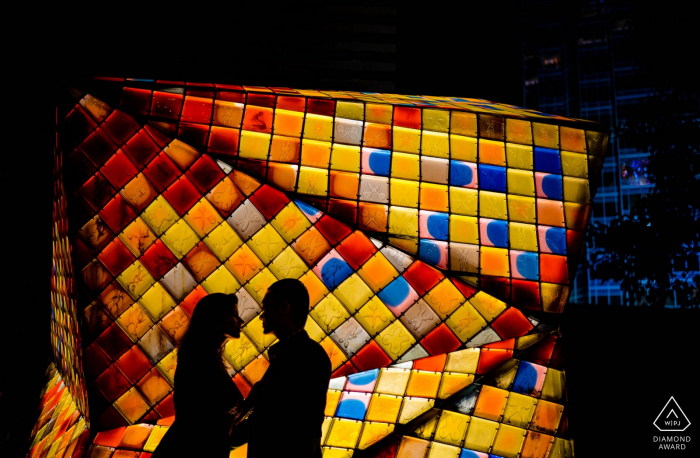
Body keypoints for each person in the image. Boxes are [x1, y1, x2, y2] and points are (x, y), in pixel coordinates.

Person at [234, 278, 332, 458]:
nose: (261, 316)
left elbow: (279, 420)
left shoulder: (301, 356)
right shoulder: (306, 354)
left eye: (266, 307)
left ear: (284, 308)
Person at [152, 293, 244, 458]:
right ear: (217, 317)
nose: (241, 321)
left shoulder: (201, 358)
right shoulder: (199, 361)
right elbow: (202, 423)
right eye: (235, 314)